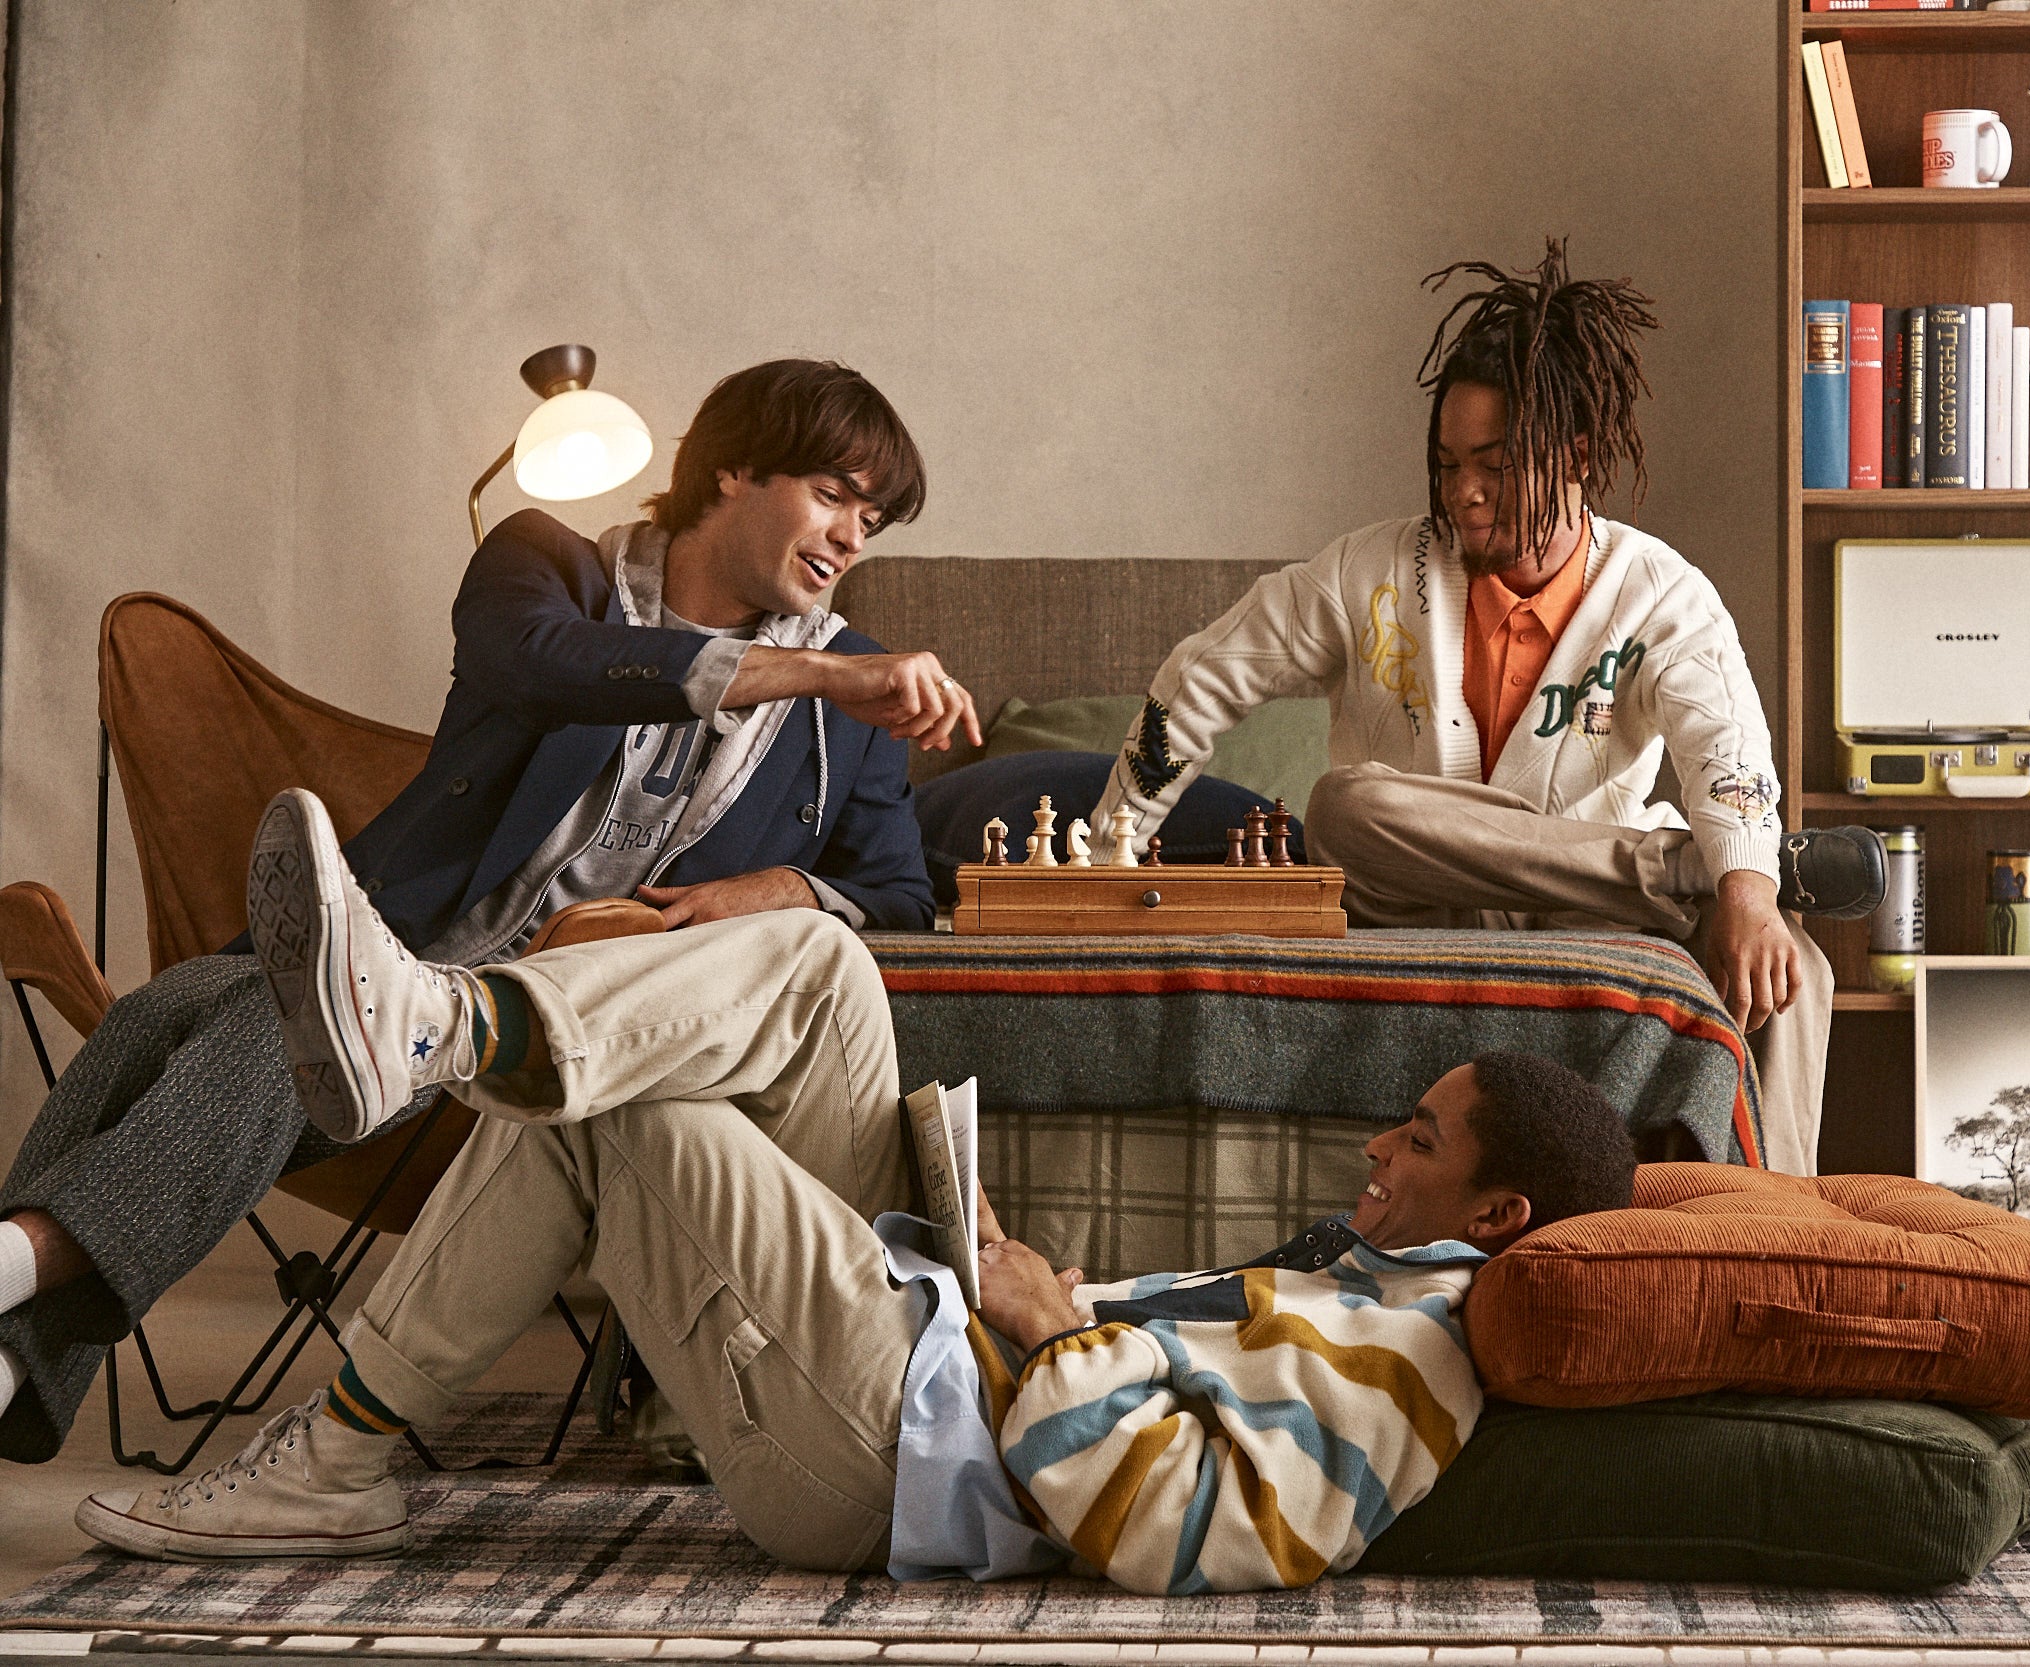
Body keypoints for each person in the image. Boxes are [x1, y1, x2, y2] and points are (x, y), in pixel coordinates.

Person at [74, 789, 1638, 1593]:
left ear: (1496, 1214)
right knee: (828, 963)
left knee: (647, 1119)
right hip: (934, 1341)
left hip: (893, 1454)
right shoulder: (1383, 1287)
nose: (1381, 1144)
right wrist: (1030, 1287)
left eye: (1421, 1141)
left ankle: (337, 1440)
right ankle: (452, 1024)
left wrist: (1052, 1329)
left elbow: (1190, 1530)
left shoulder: (1412, 1355)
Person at [0, 358, 986, 1462]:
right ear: (735, 468)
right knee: (175, 1011)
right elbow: (543, 666)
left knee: (260, 1028)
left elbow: (896, 893)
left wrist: (758, 891)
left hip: (564, 1045)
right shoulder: (549, 565)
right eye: (835, 492)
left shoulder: (851, 688)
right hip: (388, 961)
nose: (854, 535)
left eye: (873, 516)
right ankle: (9, 1343)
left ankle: (16, 1270)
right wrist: (806, 675)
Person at [1089, 240, 1881, 1175]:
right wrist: (1103, 848)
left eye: (1496, 466)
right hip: (1414, 891)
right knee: (1346, 804)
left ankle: (1771, 1237)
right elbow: (1205, 674)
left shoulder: (1660, 593)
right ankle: (1677, 871)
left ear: (1576, 454)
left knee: (1793, 964)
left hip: (1582, 915)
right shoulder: (1368, 572)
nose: (1464, 491)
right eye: (1449, 462)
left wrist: (1748, 892)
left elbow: (1727, 745)